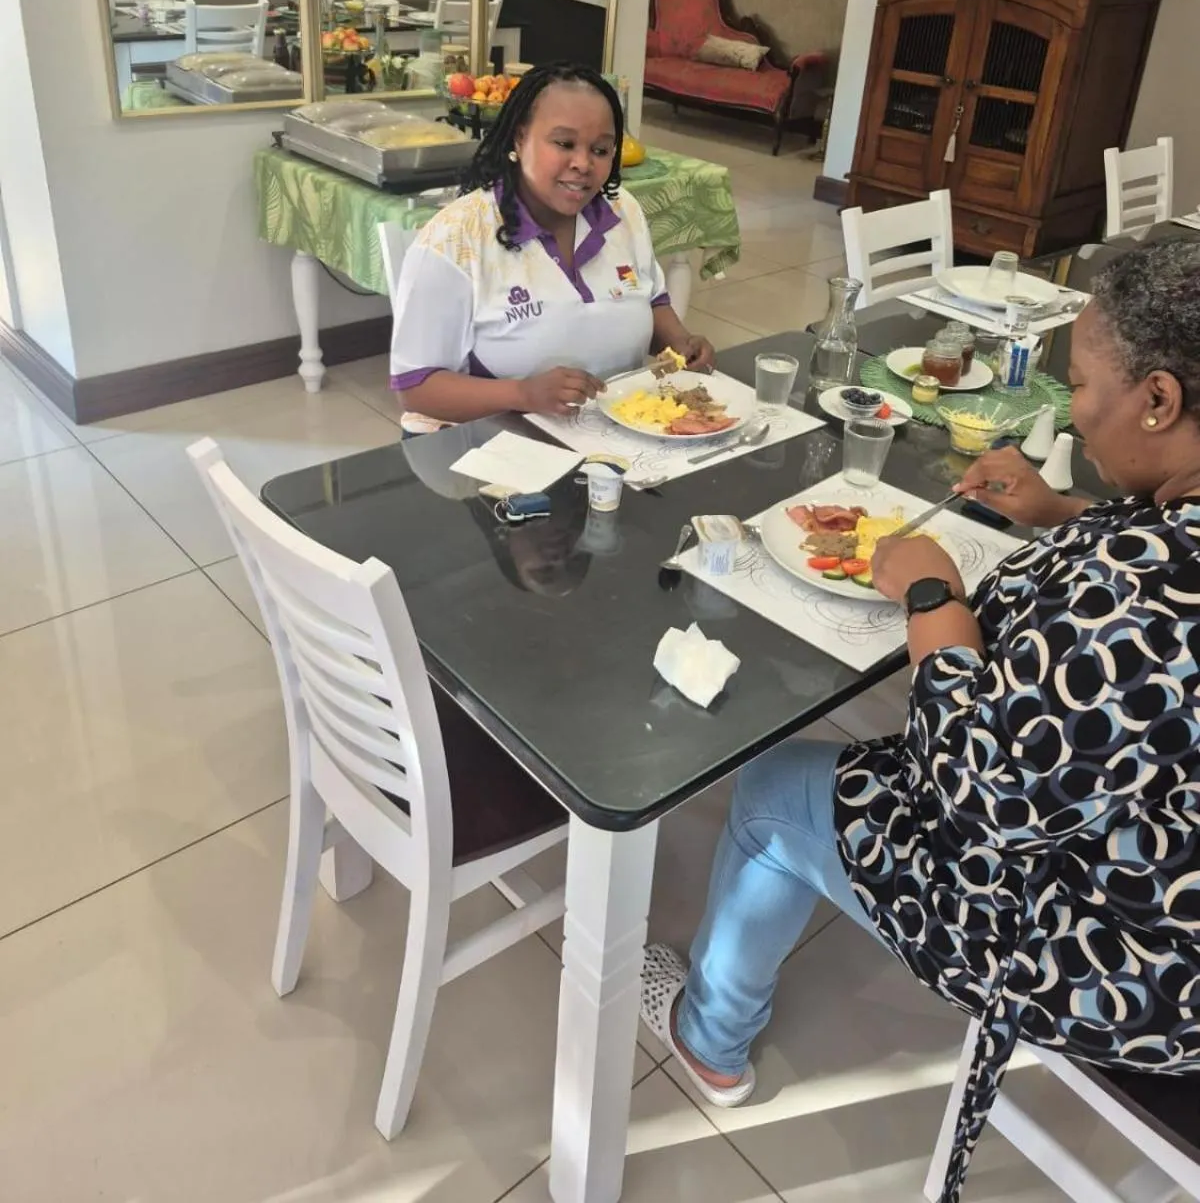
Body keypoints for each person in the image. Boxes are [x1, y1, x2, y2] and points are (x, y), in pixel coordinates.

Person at [640, 238, 1200, 1203]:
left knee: (773, 789)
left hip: (1126, 951)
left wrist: (935, 593)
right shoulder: (1163, 534)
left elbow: (983, 796)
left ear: (1158, 399)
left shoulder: (1154, 595)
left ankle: (709, 1043)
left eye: (1084, 386)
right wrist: (1062, 512)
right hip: (1144, 851)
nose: (1072, 409)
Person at [389, 62, 714, 429]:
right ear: (519, 137)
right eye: (564, 143)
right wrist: (523, 395)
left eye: (601, 149)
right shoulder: (454, 240)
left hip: (615, 432)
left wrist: (682, 341)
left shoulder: (623, 211)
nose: (583, 164)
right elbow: (415, 386)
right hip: (494, 444)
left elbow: (650, 298)